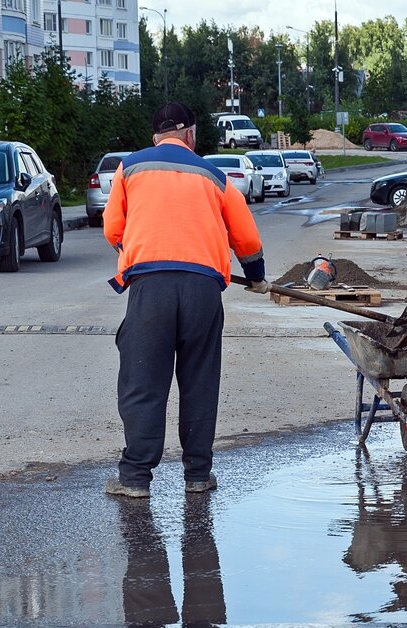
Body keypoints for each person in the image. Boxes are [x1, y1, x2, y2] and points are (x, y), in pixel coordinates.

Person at [103, 101, 269, 499]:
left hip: (150, 288)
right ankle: (197, 475)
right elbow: (245, 237)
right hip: (202, 289)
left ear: (154, 136)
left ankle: (135, 479)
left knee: (143, 381)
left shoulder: (131, 168)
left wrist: (138, 247)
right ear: (190, 135)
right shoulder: (213, 174)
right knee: (199, 382)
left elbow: (113, 228)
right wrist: (257, 275)